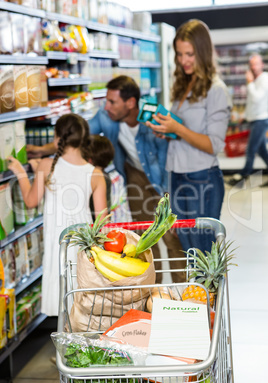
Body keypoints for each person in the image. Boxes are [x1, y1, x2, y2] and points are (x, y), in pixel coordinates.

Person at [27, 75, 186, 284]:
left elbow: (176, 149)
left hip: (165, 180)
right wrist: (40, 150)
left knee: (172, 239)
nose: (106, 107)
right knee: (146, 241)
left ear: (130, 103)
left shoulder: (155, 118)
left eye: (112, 102)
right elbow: (72, 138)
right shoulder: (106, 118)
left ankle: (181, 292)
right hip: (135, 178)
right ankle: (153, 294)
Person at [146, 19, 231, 253]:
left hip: (202, 178)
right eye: (179, 54)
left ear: (203, 52)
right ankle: (198, 292)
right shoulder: (183, 87)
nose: (183, 60)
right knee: (189, 254)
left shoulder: (216, 90)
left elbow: (213, 144)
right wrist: (166, 131)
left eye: (190, 54)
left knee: (203, 254)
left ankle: (211, 292)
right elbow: (184, 133)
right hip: (177, 178)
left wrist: (177, 129)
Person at [8, 113, 107, 316]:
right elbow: (102, 223)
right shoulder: (95, 174)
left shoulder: (48, 165)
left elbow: (30, 201)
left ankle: (65, 343)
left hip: (59, 243)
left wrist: (20, 172)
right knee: (84, 304)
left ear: (57, 139)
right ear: (84, 138)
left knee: (63, 302)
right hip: (84, 245)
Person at [228, 53, 268, 186]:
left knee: (251, 149)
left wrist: (249, 82)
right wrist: (244, 117)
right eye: (251, 65)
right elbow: (251, 103)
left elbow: (257, 98)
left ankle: (243, 176)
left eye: (256, 64)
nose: (254, 67)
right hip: (254, 119)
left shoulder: (264, 79)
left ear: (262, 65)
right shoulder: (256, 81)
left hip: (261, 120)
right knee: (261, 150)